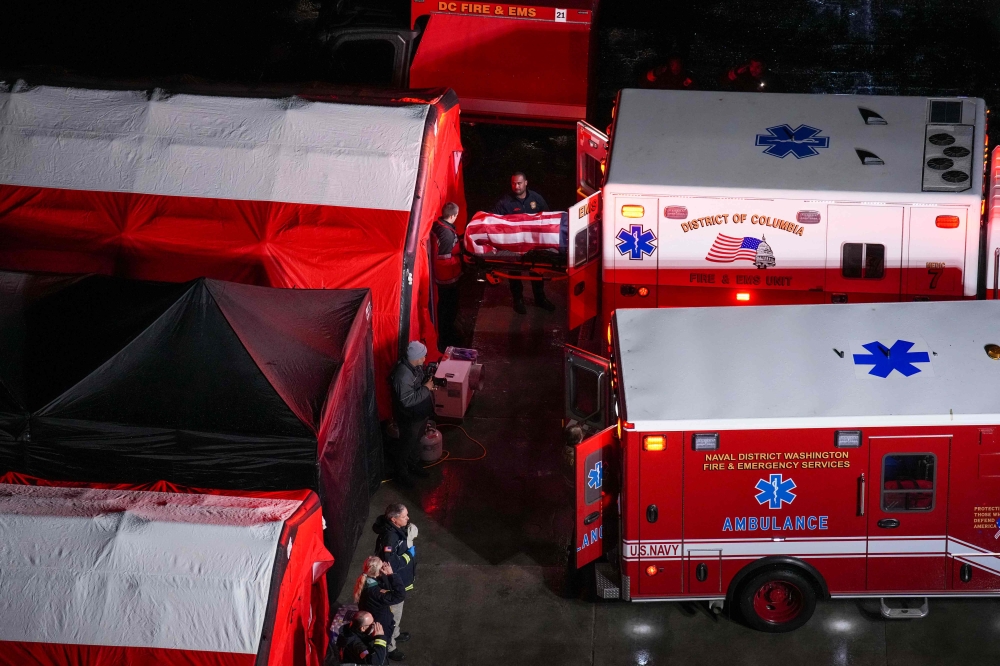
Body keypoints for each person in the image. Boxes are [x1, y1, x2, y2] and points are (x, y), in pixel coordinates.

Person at [491, 172, 556, 314]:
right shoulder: (505, 202)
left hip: (534, 245)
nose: (516, 186)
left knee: (537, 271)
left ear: (526, 183)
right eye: (513, 183)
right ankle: (518, 300)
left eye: (519, 183)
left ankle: (540, 299)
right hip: (514, 246)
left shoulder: (536, 199)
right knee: (515, 274)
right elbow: (493, 220)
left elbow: (548, 216)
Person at [373, 503, 417, 657]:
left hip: (398, 580)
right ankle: (390, 647)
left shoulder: (396, 530)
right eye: (404, 516)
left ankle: (396, 633)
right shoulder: (390, 537)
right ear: (394, 519)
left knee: (398, 612)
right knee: (392, 617)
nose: (408, 518)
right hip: (391, 583)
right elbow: (390, 563)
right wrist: (408, 556)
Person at [389, 341, 435, 486]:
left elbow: (418, 385)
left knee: (416, 442)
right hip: (409, 418)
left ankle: (413, 465)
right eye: (422, 356)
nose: (424, 359)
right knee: (406, 445)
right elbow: (407, 400)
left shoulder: (415, 366)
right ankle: (401, 474)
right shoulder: (402, 375)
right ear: (415, 357)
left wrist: (427, 382)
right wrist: (426, 388)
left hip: (420, 414)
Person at [353, 556, 406, 662]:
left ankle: (391, 643)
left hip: (375, 616)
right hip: (381, 623)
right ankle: (386, 655)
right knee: (382, 643)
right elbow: (400, 595)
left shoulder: (365, 581)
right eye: (382, 566)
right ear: (378, 572)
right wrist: (391, 574)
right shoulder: (375, 593)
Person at [432, 202, 463, 350]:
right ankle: (447, 337)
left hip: (444, 276)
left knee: (445, 307)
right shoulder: (447, 235)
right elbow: (444, 259)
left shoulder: (438, 225)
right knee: (448, 307)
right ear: (452, 215)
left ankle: (446, 332)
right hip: (447, 278)